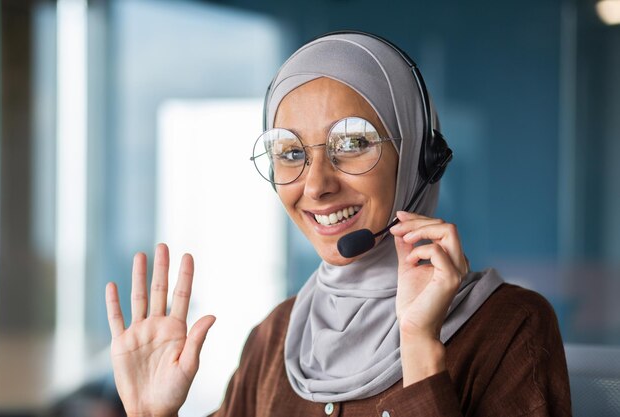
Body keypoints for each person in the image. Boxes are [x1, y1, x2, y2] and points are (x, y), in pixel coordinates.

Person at [105, 32, 572, 416]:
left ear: (416, 159)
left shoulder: (512, 327)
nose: (316, 186)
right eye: (290, 153)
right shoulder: (276, 335)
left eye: (351, 143)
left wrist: (420, 347)